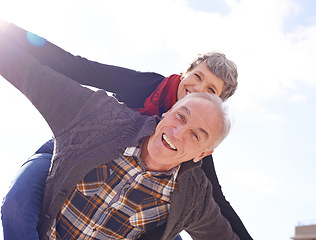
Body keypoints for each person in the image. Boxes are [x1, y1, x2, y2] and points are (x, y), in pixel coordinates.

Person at [0, 20, 253, 239]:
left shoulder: (193, 145)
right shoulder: (143, 86)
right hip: (74, 151)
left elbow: (217, 205)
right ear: (185, 72)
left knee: (170, 230)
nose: (198, 89)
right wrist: (10, 33)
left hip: (137, 197)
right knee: (16, 206)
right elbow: (79, 68)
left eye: (210, 90)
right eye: (197, 76)